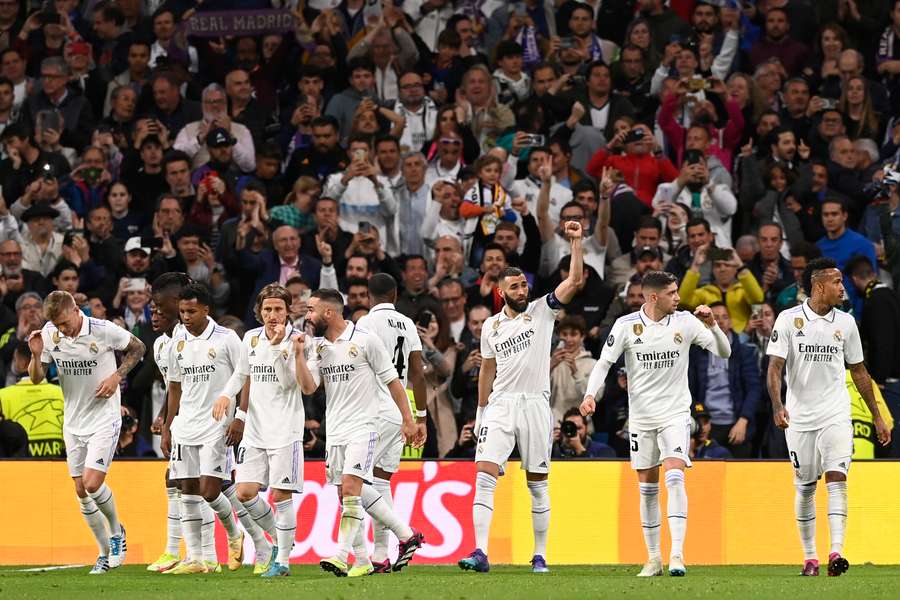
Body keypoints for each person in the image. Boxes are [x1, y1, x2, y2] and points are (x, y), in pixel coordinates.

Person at [580, 270, 732, 578]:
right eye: (672, 293)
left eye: (677, 291)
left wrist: (712, 324)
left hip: (675, 414)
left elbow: (723, 351)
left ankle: (677, 554)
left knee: (674, 475)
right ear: (653, 297)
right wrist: (589, 394)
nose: (678, 297)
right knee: (647, 489)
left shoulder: (686, 322)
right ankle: (654, 558)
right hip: (641, 419)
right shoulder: (626, 327)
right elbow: (604, 364)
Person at [457, 219, 584, 575]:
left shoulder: (543, 310)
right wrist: (482, 411)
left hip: (534, 405)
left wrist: (576, 242)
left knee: (537, 483)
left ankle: (540, 554)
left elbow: (574, 281)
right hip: (500, 405)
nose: (522, 290)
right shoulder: (491, 327)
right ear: (502, 293)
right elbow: (486, 369)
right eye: (514, 286)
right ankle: (480, 551)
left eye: (524, 284)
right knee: (483, 474)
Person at [766, 258, 891, 577]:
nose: (842, 287)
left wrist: (877, 414)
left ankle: (836, 552)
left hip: (835, 413)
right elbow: (775, 367)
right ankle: (810, 557)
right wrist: (778, 405)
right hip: (799, 418)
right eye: (836, 282)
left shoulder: (846, 323)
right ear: (819, 285)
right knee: (806, 486)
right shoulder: (788, 319)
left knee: (837, 477)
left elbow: (860, 373)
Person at [294, 289, 423, 577]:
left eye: (312, 310)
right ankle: (379, 550)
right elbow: (308, 387)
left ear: (328, 312)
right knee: (345, 493)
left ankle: (342, 554)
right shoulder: (317, 347)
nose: (308, 315)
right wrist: (299, 355)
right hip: (336, 430)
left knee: (352, 487)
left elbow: (393, 382)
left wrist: (409, 419)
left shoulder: (365, 340)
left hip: (364, 426)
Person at [27, 290, 146, 573]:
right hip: (73, 421)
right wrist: (35, 355)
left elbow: (138, 348)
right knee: (81, 491)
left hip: (105, 416)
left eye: (65, 323)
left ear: (76, 310)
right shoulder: (50, 333)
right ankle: (104, 553)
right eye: (57, 325)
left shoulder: (103, 330)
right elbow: (36, 378)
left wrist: (116, 376)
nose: (63, 330)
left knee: (92, 484)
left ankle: (117, 534)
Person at [214, 284, 304, 578]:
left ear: (288, 311)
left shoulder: (297, 341)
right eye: (267, 309)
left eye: (279, 309)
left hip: (285, 430)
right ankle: (278, 542)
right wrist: (226, 395)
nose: (273, 315)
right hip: (255, 430)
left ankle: (284, 562)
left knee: (281, 496)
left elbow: (289, 383)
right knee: (244, 492)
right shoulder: (251, 338)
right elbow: (242, 373)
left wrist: (278, 347)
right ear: (259, 311)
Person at [159, 284, 248, 575]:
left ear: (207, 310)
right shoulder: (177, 339)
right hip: (186, 422)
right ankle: (195, 558)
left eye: (191, 311)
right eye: (182, 311)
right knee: (186, 489)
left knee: (210, 490)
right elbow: (174, 385)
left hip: (217, 422)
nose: (185, 317)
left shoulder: (227, 339)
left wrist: (240, 417)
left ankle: (234, 532)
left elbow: (245, 377)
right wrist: (168, 426)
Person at [353, 273, 429, 573]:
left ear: (369, 297)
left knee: (355, 480)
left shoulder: (364, 324)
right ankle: (380, 554)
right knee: (381, 481)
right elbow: (419, 373)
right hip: (400, 411)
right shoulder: (408, 324)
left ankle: (401, 536)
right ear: (395, 294)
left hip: (373, 408)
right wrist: (420, 416)